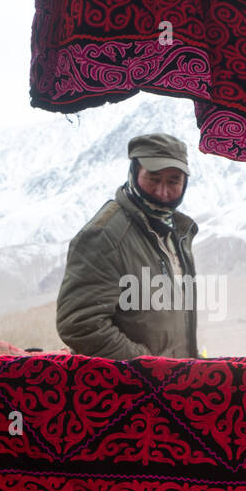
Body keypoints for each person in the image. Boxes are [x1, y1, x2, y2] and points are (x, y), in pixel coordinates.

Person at [56, 134, 199, 359]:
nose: (163, 191)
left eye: (173, 181)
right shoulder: (105, 235)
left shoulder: (177, 234)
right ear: (134, 173)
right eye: (153, 178)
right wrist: (145, 367)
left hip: (172, 387)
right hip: (126, 389)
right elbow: (80, 324)